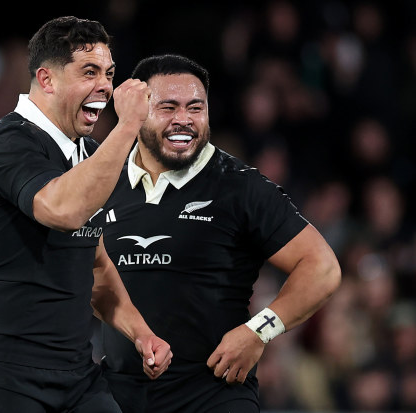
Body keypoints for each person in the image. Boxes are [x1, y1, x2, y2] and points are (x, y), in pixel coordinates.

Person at [0, 16, 172, 413]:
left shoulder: (82, 154)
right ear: (47, 80)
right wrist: (128, 124)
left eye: (109, 73)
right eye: (89, 72)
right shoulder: (8, 141)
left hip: (76, 377)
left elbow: (95, 264)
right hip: (2, 378)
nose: (105, 84)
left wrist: (140, 333)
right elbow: (61, 209)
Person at [99, 54, 342, 413]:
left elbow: (321, 267)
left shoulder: (240, 186)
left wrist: (260, 330)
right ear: (136, 112)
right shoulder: (102, 181)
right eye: (168, 107)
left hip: (213, 395)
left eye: (195, 108)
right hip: (117, 397)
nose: (183, 120)